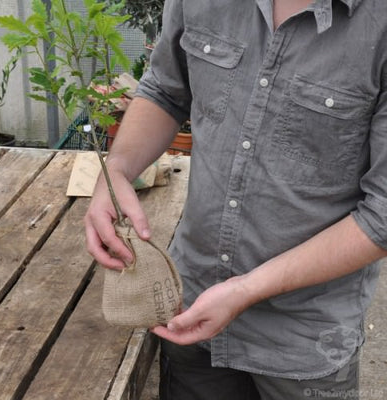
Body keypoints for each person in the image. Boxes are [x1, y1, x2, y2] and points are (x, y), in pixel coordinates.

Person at [84, 0, 387, 398]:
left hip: (302, 342)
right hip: (188, 307)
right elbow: (166, 88)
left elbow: (381, 215)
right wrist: (118, 169)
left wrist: (246, 289)